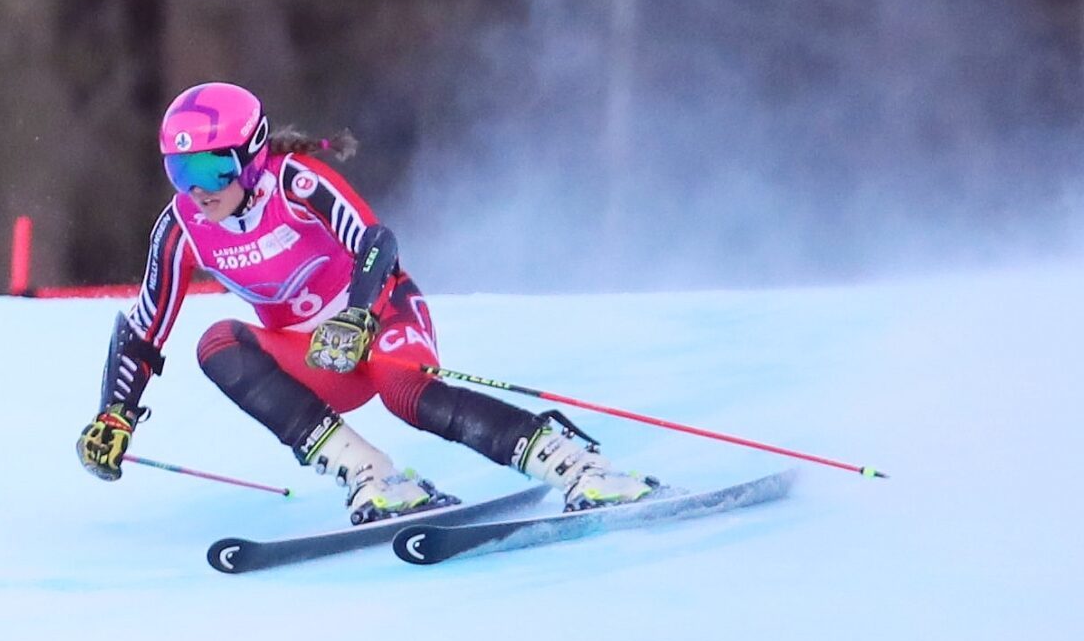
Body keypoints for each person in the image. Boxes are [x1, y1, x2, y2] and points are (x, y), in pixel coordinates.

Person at [75, 81, 657, 523]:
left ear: (250, 156)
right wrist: (114, 413)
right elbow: (147, 324)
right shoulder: (181, 227)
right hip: (318, 356)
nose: (197, 189)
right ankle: (372, 476)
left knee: (406, 393)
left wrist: (358, 315)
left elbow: (376, 243)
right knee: (217, 342)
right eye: (179, 170)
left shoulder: (297, 184)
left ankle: (577, 466)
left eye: (210, 167)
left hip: (380, 315)